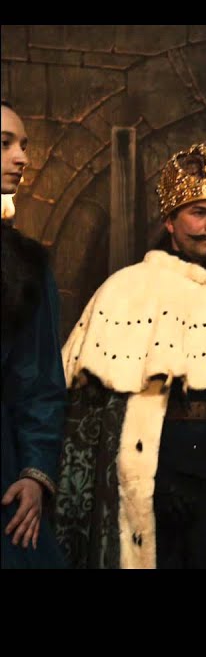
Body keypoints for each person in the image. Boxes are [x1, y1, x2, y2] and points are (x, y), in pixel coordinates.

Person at [57, 143, 206, 568]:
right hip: (162, 477)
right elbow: (85, 418)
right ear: (170, 221)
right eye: (199, 212)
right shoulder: (125, 291)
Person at [1, 100, 67, 568]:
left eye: (23, 145)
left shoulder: (23, 266)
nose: (22, 157)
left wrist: (35, 472)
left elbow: (39, 380)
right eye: (5, 144)